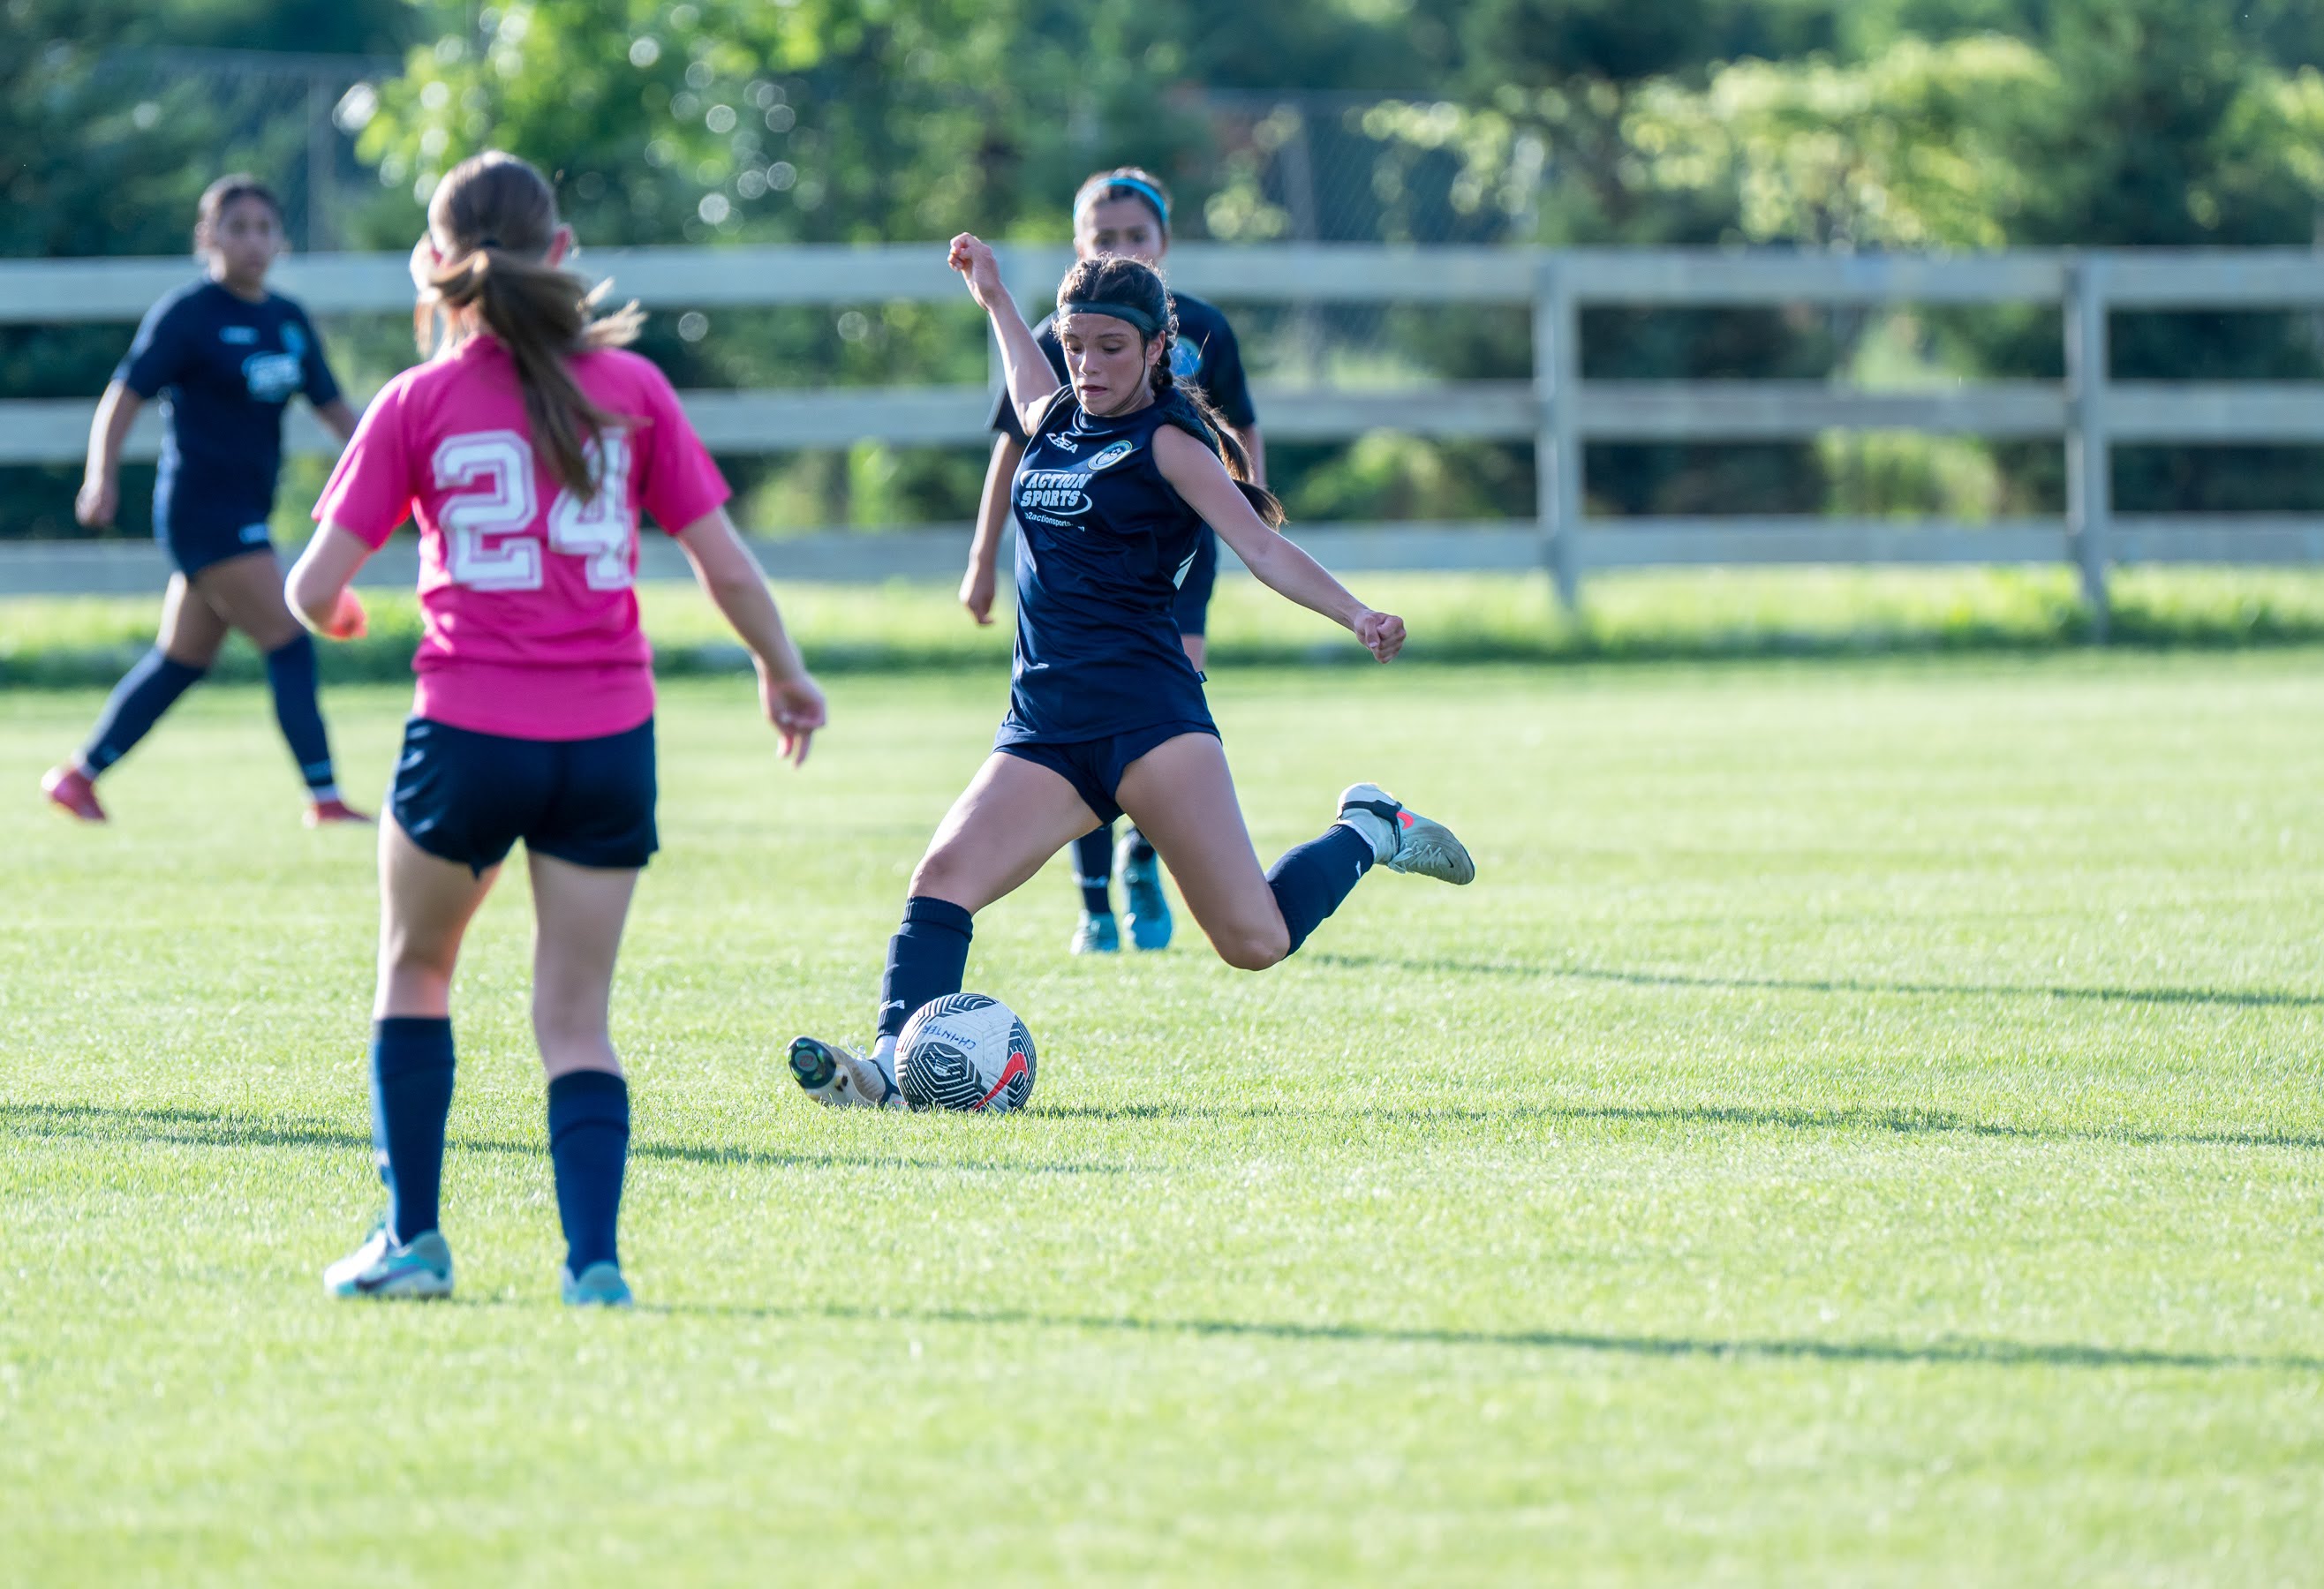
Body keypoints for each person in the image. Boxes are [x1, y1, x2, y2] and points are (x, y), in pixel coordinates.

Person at [287, 151, 828, 1306]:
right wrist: (781, 671)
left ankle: (415, 1243)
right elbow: (724, 564)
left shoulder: (417, 400)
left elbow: (309, 585)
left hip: (470, 732)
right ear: (564, 254)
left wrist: (336, 609)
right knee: (576, 1020)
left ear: (433, 265)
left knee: (418, 971)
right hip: (607, 743)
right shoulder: (631, 389)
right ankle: (595, 1270)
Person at [786, 237, 1470, 1111]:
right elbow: (1027, 381)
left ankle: (1369, 828)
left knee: (1253, 940)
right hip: (1043, 729)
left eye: (1111, 347)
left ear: (1156, 349)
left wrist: (1356, 614)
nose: (1089, 364)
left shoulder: (1172, 444)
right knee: (942, 880)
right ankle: (885, 1068)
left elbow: (1260, 545)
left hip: (1151, 722)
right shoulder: (1056, 415)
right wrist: (993, 295)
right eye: (1076, 346)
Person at [959, 168, 1263, 959]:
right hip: (1071, 560)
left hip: (1166, 561)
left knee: (1157, 715)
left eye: (1137, 236)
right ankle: (1095, 899)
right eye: (1105, 238)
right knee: (1080, 712)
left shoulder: (1198, 335)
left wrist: (1250, 521)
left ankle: (1146, 857)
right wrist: (981, 555)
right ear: (1077, 247)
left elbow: (1239, 444)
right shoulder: (1065, 336)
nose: (1124, 248)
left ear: (1165, 243)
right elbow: (1020, 438)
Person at [42, 175, 367, 826]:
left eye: (263, 228)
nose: (251, 241)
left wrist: (391, 469)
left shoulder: (288, 321)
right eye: (236, 227)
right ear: (208, 237)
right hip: (202, 514)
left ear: (280, 241)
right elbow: (125, 395)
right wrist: (99, 476)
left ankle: (79, 776)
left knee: (183, 661)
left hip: (244, 514)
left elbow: (338, 412)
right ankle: (325, 798)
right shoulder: (188, 314)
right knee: (288, 639)